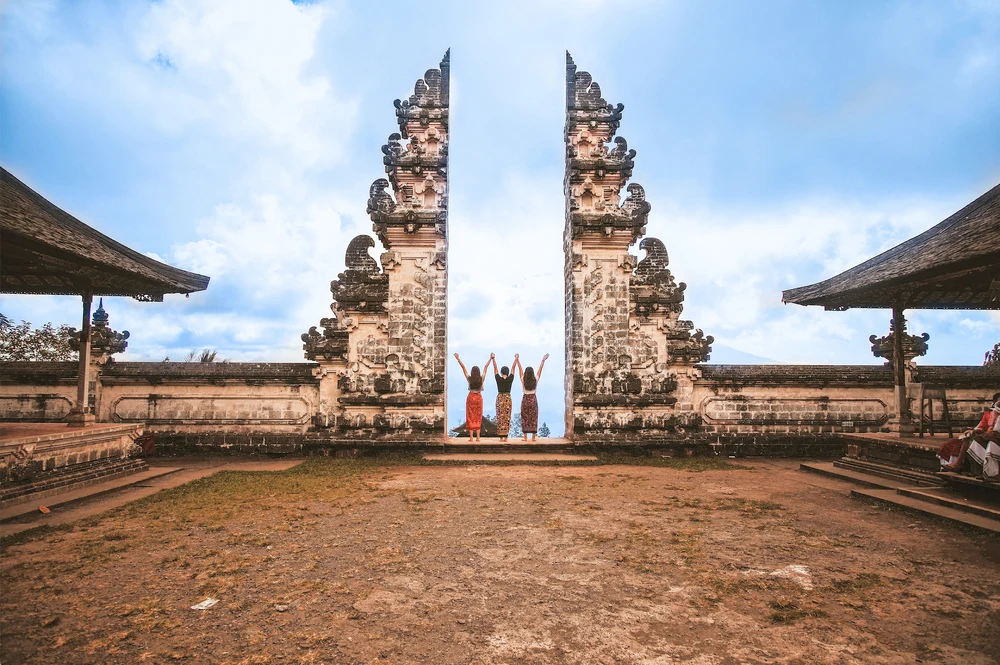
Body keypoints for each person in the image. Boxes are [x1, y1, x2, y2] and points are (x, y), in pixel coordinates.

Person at [939, 392, 1000, 478]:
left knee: (986, 443)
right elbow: (981, 427)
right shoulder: (989, 414)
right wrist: (974, 431)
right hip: (988, 436)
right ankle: (960, 464)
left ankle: (988, 473)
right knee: (968, 438)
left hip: (994, 438)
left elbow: (996, 430)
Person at [454, 353, 489, 442]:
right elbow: (485, 368)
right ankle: (478, 437)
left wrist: (458, 359)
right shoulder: (481, 379)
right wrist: (490, 359)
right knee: (478, 416)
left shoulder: (469, 379)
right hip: (478, 398)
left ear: (472, 372)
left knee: (470, 416)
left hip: (470, 397)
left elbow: (463, 368)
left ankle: (471, 438)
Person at [515, 352, 548, 442]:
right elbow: (540, 370)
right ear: (532, 373)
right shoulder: (535, 380)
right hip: (533, 399)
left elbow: (520, 369)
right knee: (533, 417)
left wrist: (517, 360)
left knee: (525, 417)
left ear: (525, 373)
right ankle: (533, 437)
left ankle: (525, 437)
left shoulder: (523, 380)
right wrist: (543, 360)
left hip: (525, 399)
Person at [485, 353, 516, 442]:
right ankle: (506, 437)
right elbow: (513, 368)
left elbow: (495, 368)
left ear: (502, 372)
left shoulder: (498, 379)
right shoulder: (510, 379)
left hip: (500, 398)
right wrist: (516, 359)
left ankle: (501, 437)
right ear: (507, 372)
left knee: (500, 417)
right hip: (507, 398)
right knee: (507, 418)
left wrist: (493, 359)